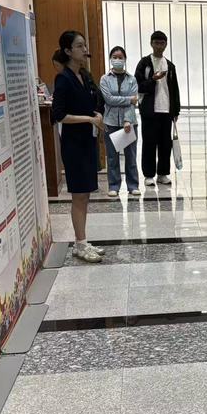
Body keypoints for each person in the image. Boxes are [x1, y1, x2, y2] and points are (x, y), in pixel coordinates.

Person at [51, 31, 105, 263]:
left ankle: (81, 241)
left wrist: (97, 114)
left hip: (87, 141)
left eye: (85, 45)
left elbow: (94, 102)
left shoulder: (83, 75)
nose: (85, 50)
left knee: (85, 195)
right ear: (67, 51)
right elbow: (59, 115)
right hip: (74, 145)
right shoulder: (63, 79)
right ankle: (80, 244)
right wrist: (89, 119)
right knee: (79, 195)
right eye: (79, 46)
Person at [134, 31, 182, 187]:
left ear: (166, 45)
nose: (159, 46)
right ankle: (149, 175)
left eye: (162, 43)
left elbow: (175, 89)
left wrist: (176, 110)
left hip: (166, 111)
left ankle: (162, 174)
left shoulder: (170, 66)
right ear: (151, 43)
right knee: (149, 143)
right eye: (156, 43)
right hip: (150, 110)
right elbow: (138, 85)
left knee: (165, 144)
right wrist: (153, 79)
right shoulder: (144, 63)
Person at [100, 46, 140, 197]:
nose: (117, 60)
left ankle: (133, 185)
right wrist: (129, 99)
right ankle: (114, 186)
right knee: (112, 157)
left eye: (120, 57)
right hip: (110, 121)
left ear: (125, 59)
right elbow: (109, 99)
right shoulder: (105, 79)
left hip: (129, 123)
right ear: (111, 59)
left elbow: (133, 103)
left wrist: (127, 120)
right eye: (114, 57)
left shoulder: (132, 79)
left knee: (131, 156)